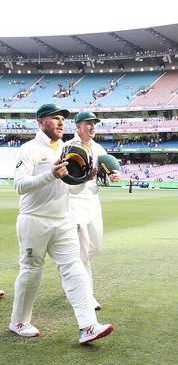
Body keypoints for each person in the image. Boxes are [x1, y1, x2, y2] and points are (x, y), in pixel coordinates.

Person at [10, 103, 113, 344]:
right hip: (35, 220)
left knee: (74, 267)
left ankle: (88, 326)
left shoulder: (69, 148)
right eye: (54, 118)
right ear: (40, 122)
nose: (60, 123)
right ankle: (18, 321)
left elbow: (69, 187)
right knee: (31, 271)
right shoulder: (29, 150)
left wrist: (84, 178)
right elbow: (19, 186)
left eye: (62, 119)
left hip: (64, 218)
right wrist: (50, 174)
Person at [66, 111, 121, 311]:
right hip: (74, 201)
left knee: (95, 248)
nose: (92, 126)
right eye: (88, 123)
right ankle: (86, 294)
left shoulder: (98, 149)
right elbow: (65, 179)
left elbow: (104, 177)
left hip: (93, 201)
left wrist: (113, 176)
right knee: (82, 250)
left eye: (94, 123)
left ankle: (71, 276)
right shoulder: (69, 147)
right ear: (78, 126)